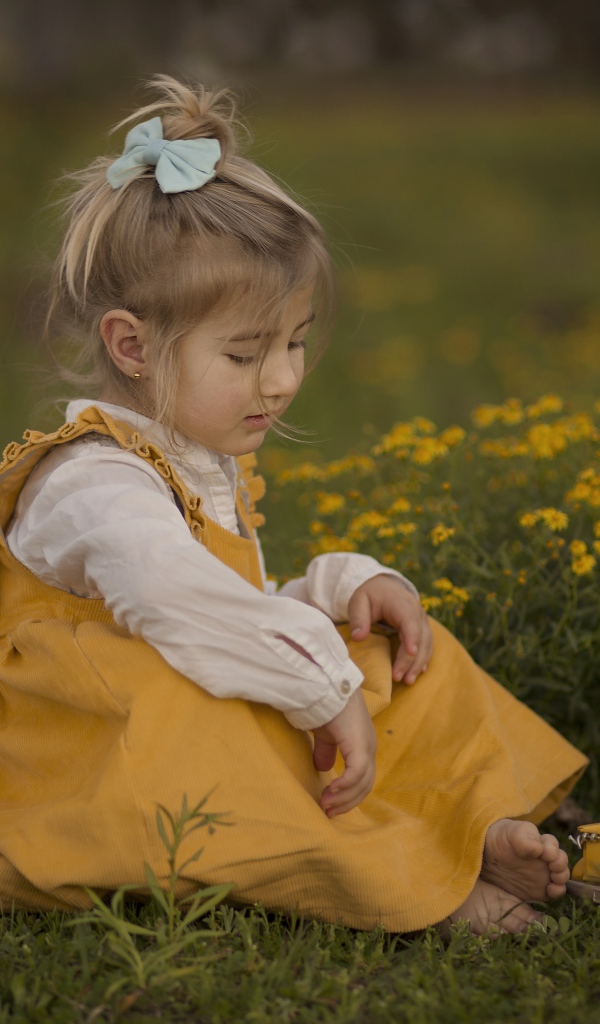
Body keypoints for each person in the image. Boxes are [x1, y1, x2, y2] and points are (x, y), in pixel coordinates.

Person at [0, 76, 587, 934]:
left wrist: (331, 595)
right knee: (210, 726)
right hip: (87, 767)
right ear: (131, 345)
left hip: (188, 705)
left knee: (391, 652)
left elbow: (229, 616)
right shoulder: (93, 484)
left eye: (295, 344)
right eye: (243, 354)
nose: (280, 380)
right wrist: (317, 679)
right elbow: (174, 602)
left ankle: (483, 820)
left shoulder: (192, 462)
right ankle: (423, 884)